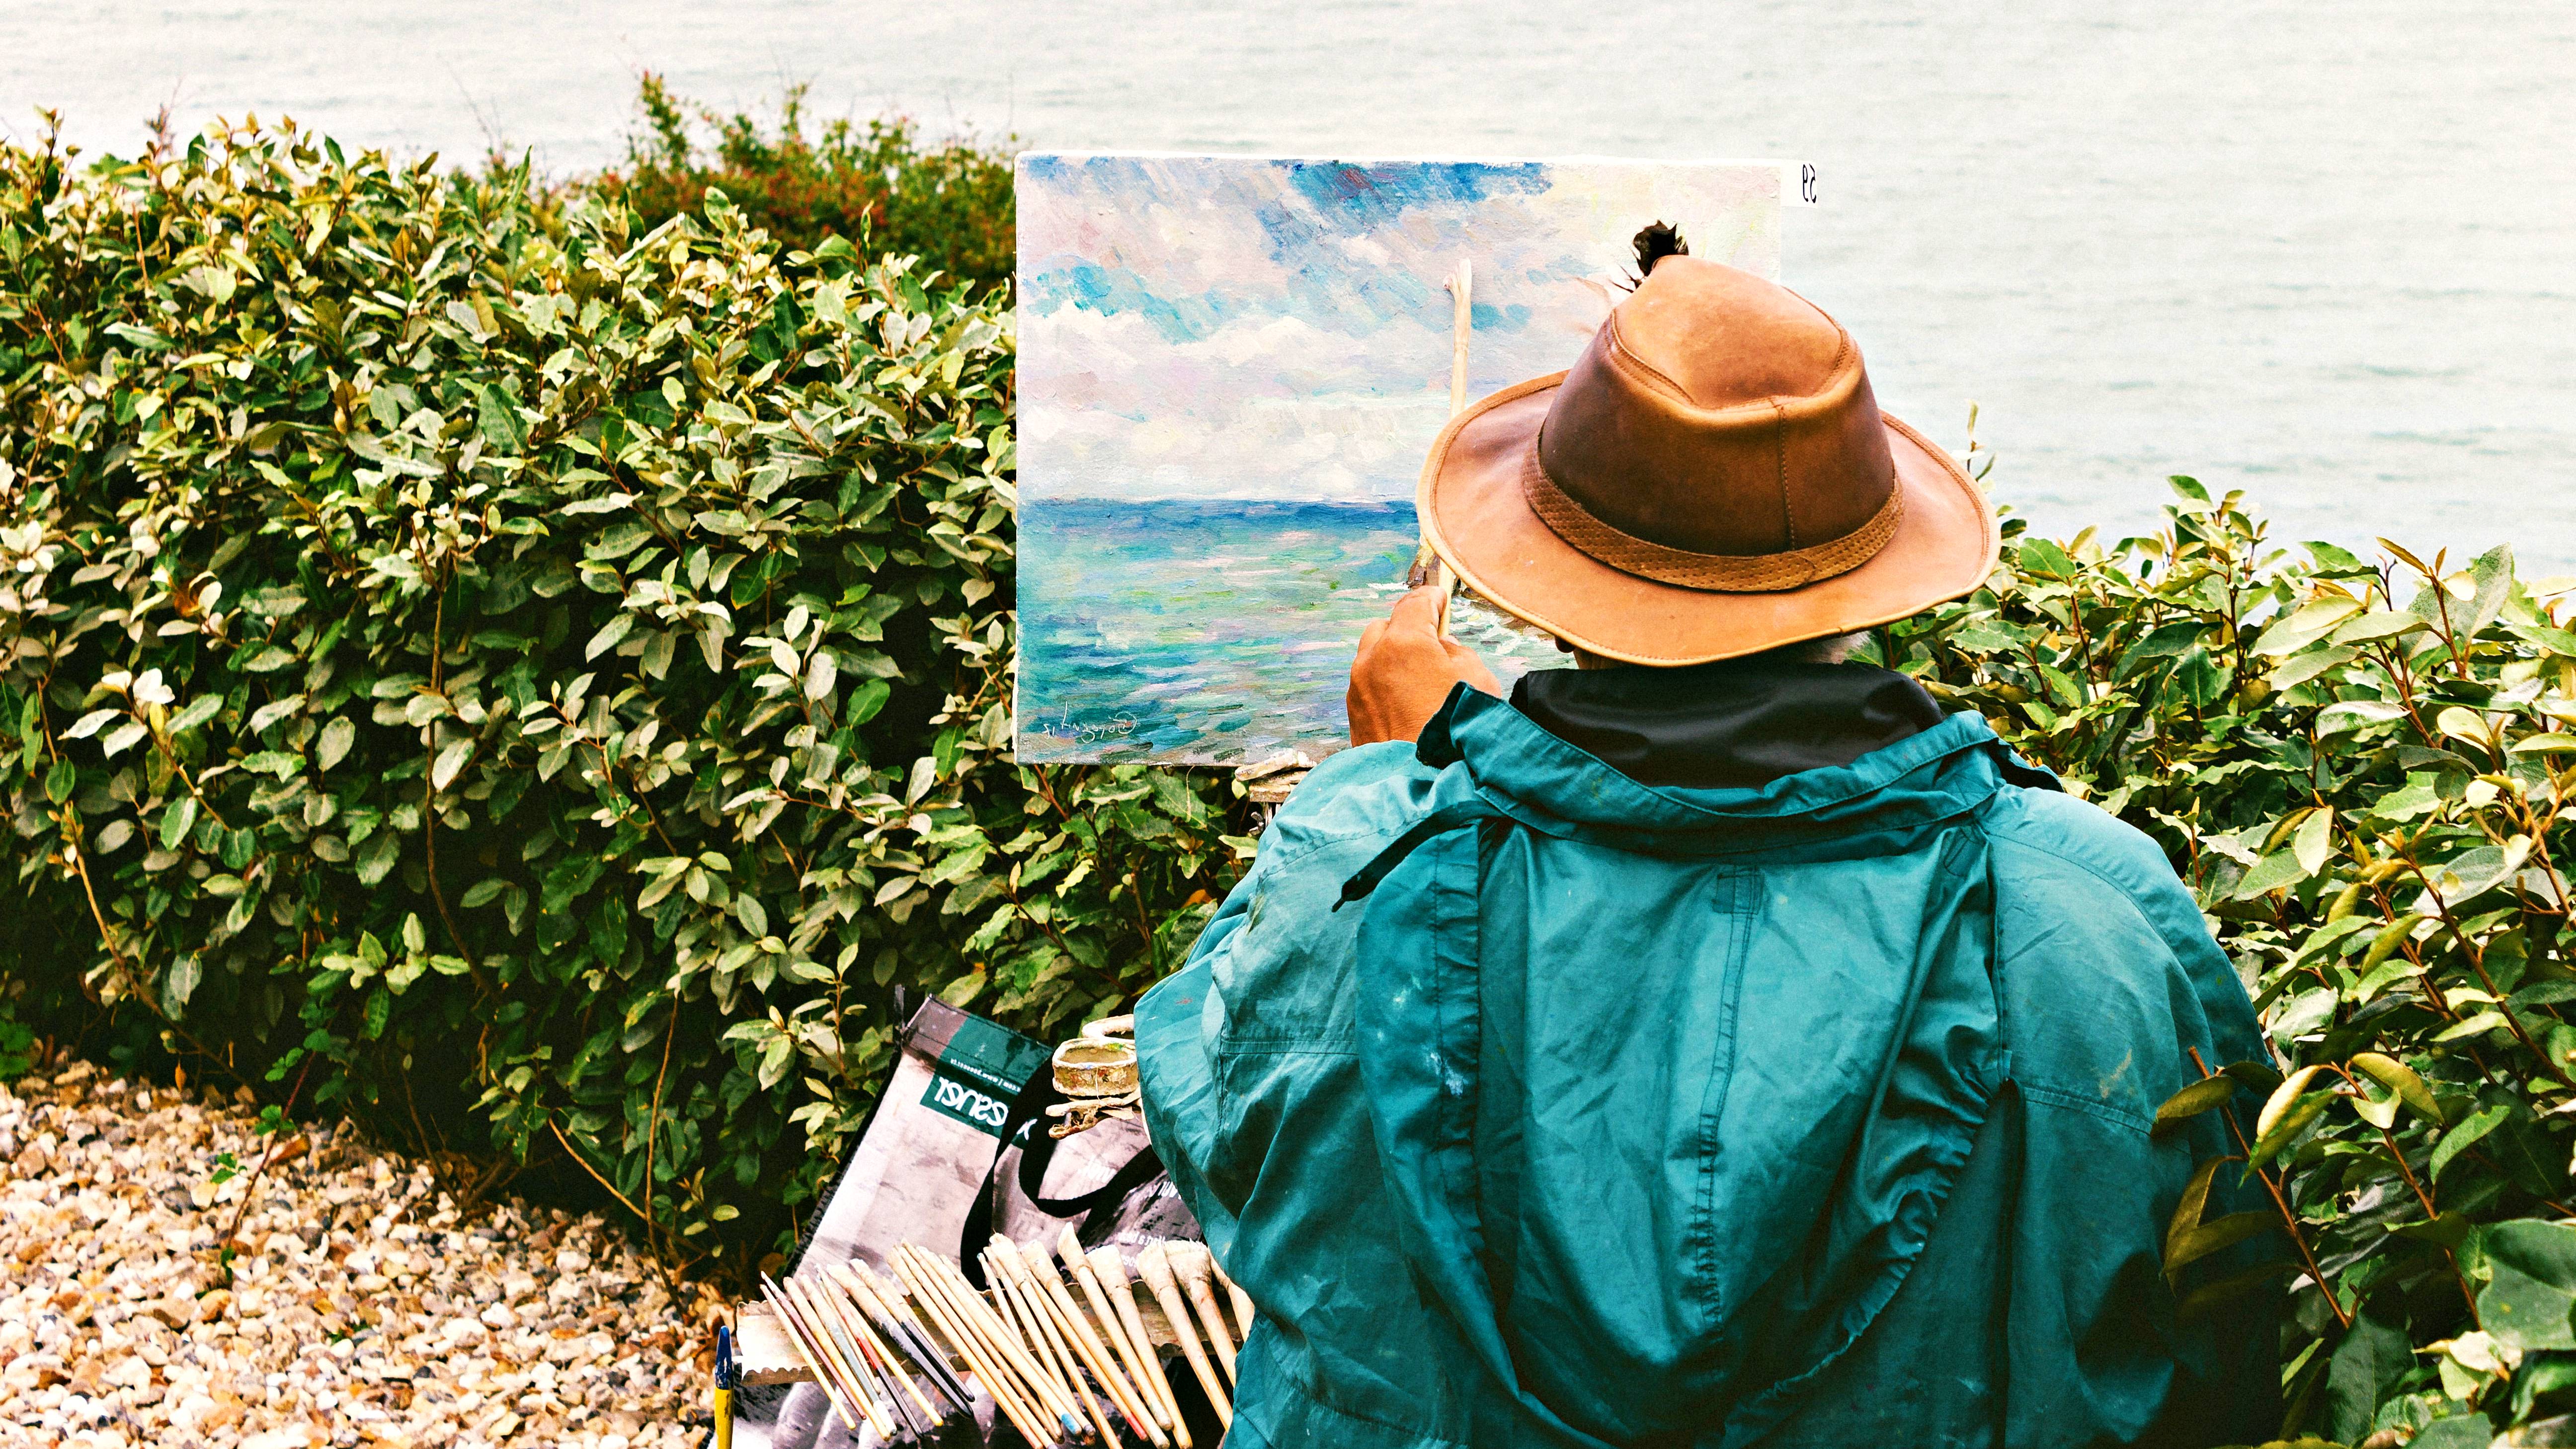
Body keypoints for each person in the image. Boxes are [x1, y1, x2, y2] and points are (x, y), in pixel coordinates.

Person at [1134, 247, 2277, 1448]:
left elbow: (1228, 1139)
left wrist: (1401, 780)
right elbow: (2226, 1316)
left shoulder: (1358, 857)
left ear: (1550, 586)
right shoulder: (2091, 904)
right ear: (1872, 576)